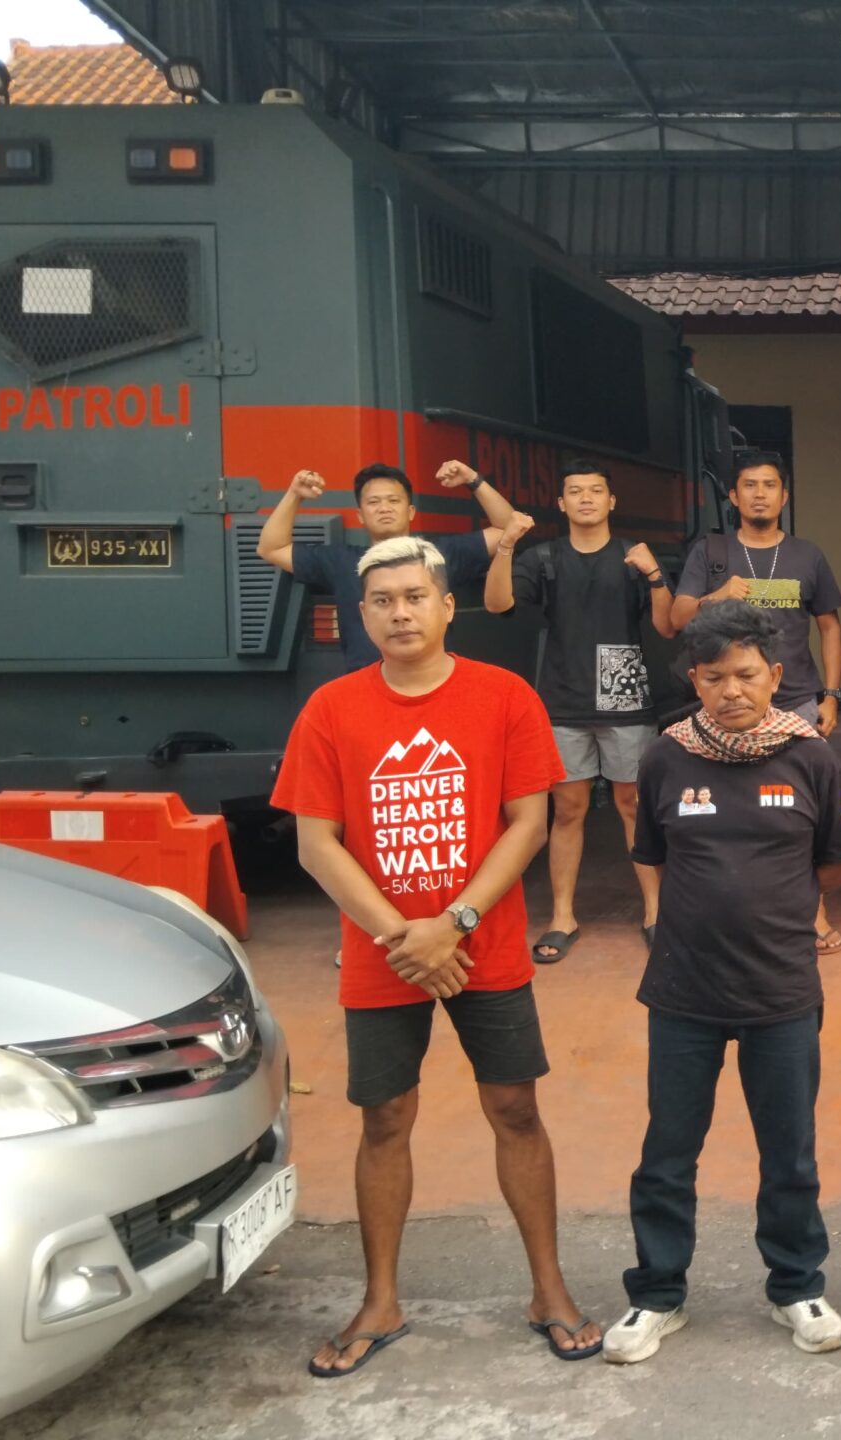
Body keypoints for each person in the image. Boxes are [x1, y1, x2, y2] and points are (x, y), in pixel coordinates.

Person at [270, 536, 601, 1376]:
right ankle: (380, 1300)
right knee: (384, 1118)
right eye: (382, 601)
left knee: (515, 1109)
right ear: (362, 614)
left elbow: (529, 822)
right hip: (383, 955)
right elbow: (316, 844)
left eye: (415, 597)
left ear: (448, 606)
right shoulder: (330, 710)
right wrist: (404, 938)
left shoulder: (505, 696)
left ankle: (549, 1289)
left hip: (483, 945)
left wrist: (453, 923)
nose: (400, 613)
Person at [606, 601, 841, 1364]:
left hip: (781, 989)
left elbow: (835, 864)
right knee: (667, 1151)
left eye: (746, 675)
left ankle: (796, 1286)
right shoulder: (666, 758)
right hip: (683, 990)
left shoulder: (812, 758)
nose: (731, 691)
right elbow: (654, 855)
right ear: (695, 681)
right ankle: (657, 1295)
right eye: (714, 678)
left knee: (790, 1151)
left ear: (775, 675)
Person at [485, 460, 674, 965]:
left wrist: (655, 575)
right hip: (563, 698)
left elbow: (666, 626)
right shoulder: (543, 558)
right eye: (575, 491)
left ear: (611, 502)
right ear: (561, 503)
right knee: (567, 810)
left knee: (634, 805)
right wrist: (506, 546)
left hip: (624, 692)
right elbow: (497, 603)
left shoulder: (632, 556)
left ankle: (656, 912)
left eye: (595, 491)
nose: (586, 498)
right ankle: (562, 916)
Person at [666, 451, 841, 955]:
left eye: (770, 485)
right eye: (749, 485)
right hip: (726, 703)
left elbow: (830, 627)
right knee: (732, 806)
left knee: (804, 810)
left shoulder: (807, 556)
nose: (760, 494)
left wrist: (832, 696)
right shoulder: (711, 552)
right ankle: (736, 905)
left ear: (784, 496)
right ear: (733, 496)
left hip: (796, 702)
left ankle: (813, 909)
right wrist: (718, 594)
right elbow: (678, 618)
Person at [258, 460, 523, 672]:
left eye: (393, 501)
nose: (384, 508)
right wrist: (294, 495)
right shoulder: (340, 561)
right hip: (366, 690)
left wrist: (472, 479)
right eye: (374, 502)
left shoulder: (440, 554)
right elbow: (271, 549)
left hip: (434, 685)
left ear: (411, 512)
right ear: (360, 516)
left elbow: (508, 527)